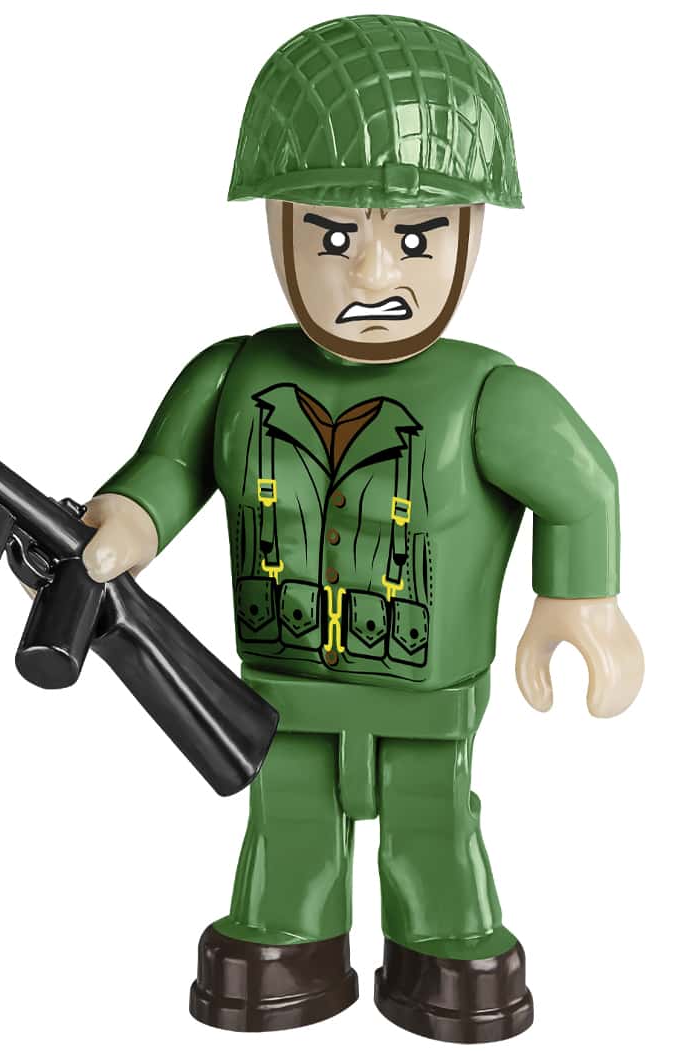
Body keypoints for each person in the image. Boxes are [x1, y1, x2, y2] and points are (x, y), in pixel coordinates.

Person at [78, 14, 643, 1042]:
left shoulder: (489, 394)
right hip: (277, 689)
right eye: (333, 236)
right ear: (278, 224)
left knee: (433, 832)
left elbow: (581, 485)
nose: (373, 275)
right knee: (286, 828)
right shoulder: (231, 374)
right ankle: (285, 945)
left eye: (415, 237)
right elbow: (169, 469)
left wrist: (577, 598)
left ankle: (447, 955)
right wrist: (122, 522)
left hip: (425, 694)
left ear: (469, 229)